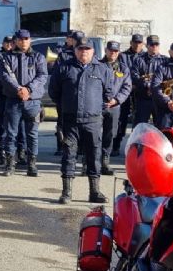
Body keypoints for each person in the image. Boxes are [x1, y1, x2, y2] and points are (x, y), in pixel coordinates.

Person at [49, 36, 113, 204]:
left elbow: (108, 93)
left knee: (94, 155)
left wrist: (97, 110)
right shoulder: (64, 68)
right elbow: (54, 92)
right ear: (75, 51)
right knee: (69, 155)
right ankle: (66, 192)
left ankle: (94, 191)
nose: (83, 52)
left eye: (87, 49)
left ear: (93, 51)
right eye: (80, 49)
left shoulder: (103, 69)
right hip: (70, 121)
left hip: (93, 121)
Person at [0, 29, 48, 177]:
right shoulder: (7, 57)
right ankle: (10, 164)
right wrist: (18, 89)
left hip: (32, 101)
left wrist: (28, 89)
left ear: (30, 40)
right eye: (21, 39)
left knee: (32, 134)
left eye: (27, 39)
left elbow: (42, 76)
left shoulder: (38, 57)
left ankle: (31, 164)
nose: (24, 42)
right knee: (11, 133)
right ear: (16, 41)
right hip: (13, 100)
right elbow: (5, 76)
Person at [100, 40, 132, 175]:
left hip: (114, 106)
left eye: (115, 51)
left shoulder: (123, 68)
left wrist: (117, 100)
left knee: (109, 134)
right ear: (106, 51)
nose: (113, 53)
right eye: (110, 50)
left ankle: (104, 162)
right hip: (97, 105)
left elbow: (127, 87)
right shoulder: (97, 65)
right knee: (92, 135)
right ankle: (87, 162)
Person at [111, 34, 145, 156]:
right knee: (121, 119)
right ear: (131, 43)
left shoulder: (146, 57)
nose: (137, 45)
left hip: (141, 92)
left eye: (139, 42)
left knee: (140, 120)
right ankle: (116, 145)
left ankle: (137, 146)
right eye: (135, 42)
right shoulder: (123, 56)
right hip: (125, 91)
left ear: (143, 44)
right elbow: (118, 71)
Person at [52, 30, 83, 156]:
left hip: (80, 94)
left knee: (81, 122)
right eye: (73, 39)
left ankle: (79, 147)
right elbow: (56, 75)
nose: (76, 41)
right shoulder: (62, 53)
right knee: (62, 121)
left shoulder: (85, 52)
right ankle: (61, 146)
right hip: (65, 95)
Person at [130, 34, 166, 125]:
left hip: (159, 99)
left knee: (160, 127)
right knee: (140, 126)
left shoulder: (165, 60)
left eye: (156, 45)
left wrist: (154, 88)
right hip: (143, 98)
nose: (154, 47)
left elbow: (168, 78)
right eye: (152, 45)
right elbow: (134, 76)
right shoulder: (138, 60)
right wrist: (147, 86)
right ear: (147, 46)